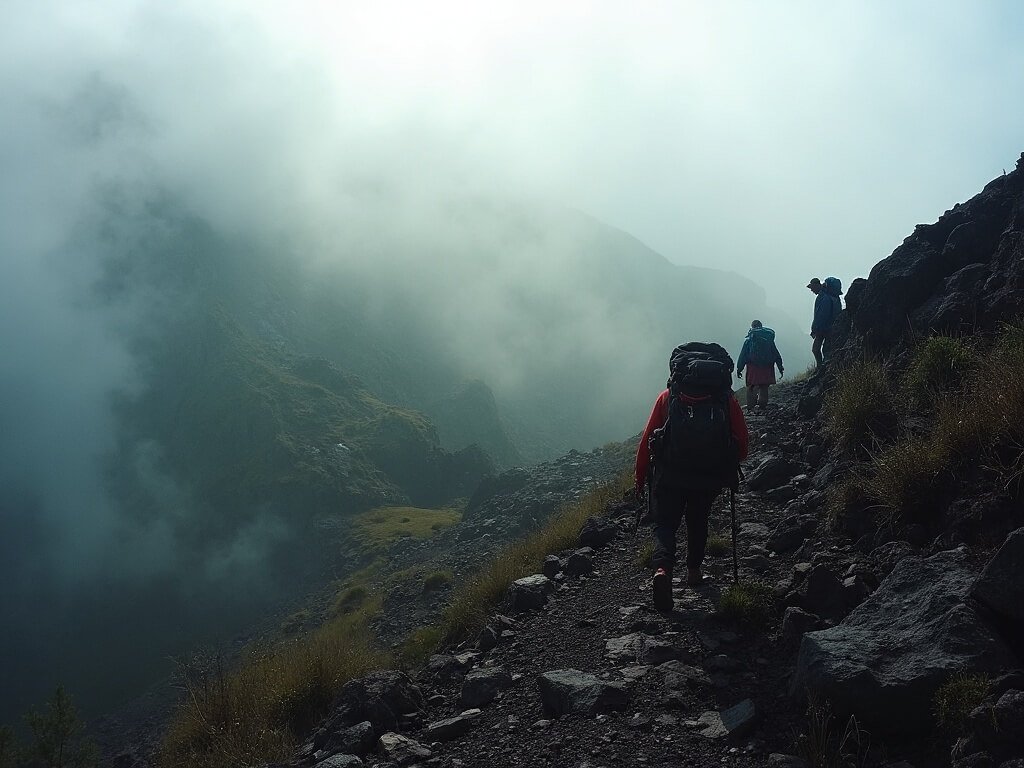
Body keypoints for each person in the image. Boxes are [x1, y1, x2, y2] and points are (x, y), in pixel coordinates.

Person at [635, 343, 749, 612]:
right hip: (708, 476)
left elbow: (647, 440)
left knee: (665, 524)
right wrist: (727, 463)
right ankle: (694, 572)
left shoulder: (668, 397)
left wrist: (640, 478)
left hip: (670, 474)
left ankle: (662, 570)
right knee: (698, 521)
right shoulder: (724, 399)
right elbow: (742, 442)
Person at [736, 320, 784, 410]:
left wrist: (739, 368)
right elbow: (776, 354)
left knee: (751, 387)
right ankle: (762, 407)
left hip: (753, 367)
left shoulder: (749, 340)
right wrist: (780, 367)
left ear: (752, 327)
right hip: (767, 367)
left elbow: (743, 356)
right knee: (764, 387)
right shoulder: (768, 339)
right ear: (761, 326)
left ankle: (750, 408)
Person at [808, 277, 842, 367]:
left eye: (812, 288)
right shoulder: (833, 297)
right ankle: (823, 367)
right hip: (832, 327)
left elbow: (821, 315)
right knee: (826, 349)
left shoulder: (824, 297)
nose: (811, 290)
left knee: (816, 349)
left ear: (816, 285)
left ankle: (821, 367)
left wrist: (815, 329)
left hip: (823, 329)